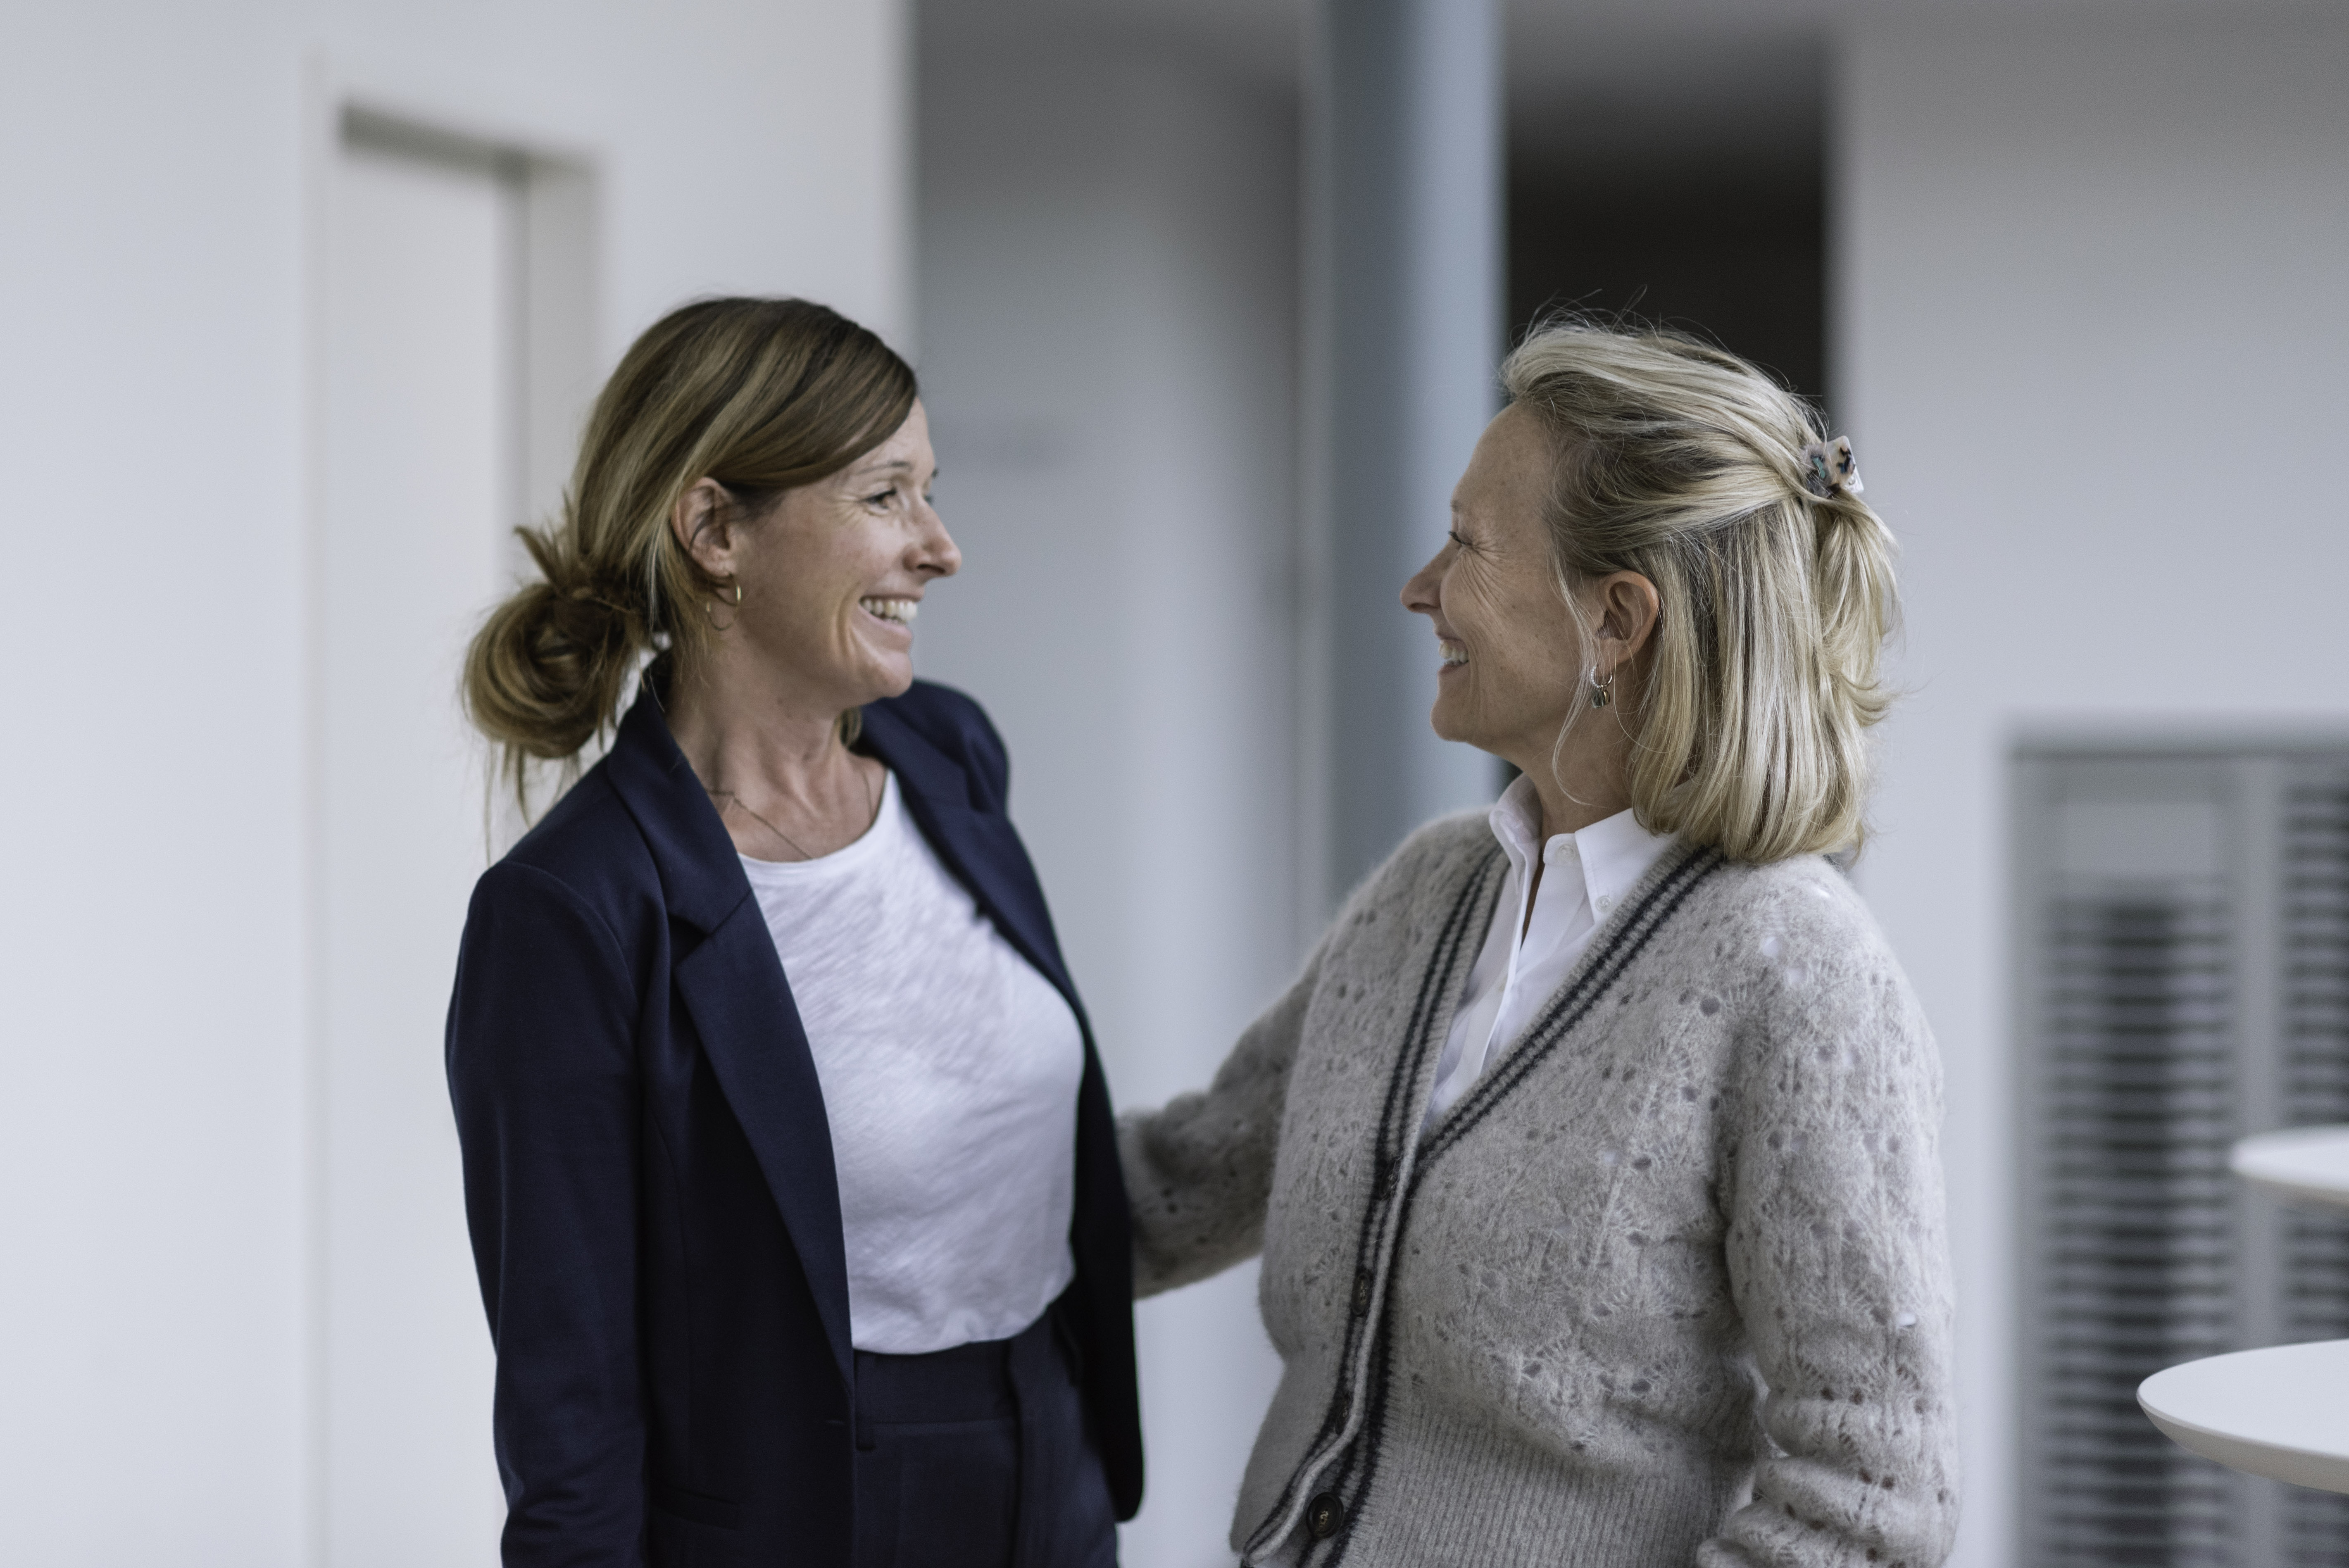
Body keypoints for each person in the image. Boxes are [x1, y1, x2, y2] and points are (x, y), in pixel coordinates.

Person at [1122, 321, 1957, 1567]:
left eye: (1465, 543)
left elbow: (1873, 1498)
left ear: (1616, 619)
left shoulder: (1800, 975)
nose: (1419, 588)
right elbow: (1172, 1186)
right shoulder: (1430, 892)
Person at [446, 297, 1139, 1568]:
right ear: (716, 530)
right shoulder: (571, 914)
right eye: (887, 496)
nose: (941, 547)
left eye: (931, 491)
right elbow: (571, 1417)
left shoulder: (951, 753)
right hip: (816, 1515)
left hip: (1052, 1462)